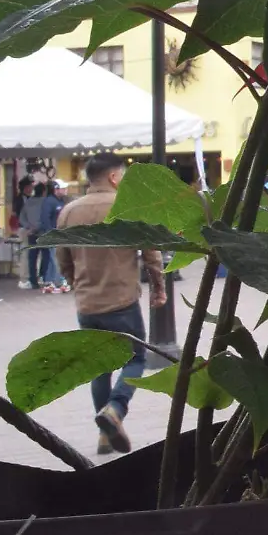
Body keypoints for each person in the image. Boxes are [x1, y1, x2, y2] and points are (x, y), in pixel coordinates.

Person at [56, 153, 167, 455]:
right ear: (115, 177)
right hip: (122, 301)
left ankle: (105, 437)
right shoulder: (127, 208)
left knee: (98, 367)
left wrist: (79, 284)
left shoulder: (68, 212)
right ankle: (116, 410)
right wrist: (158, 287)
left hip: (87, 305)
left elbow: (63, 259)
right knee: (136, 359)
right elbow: (151, 254)